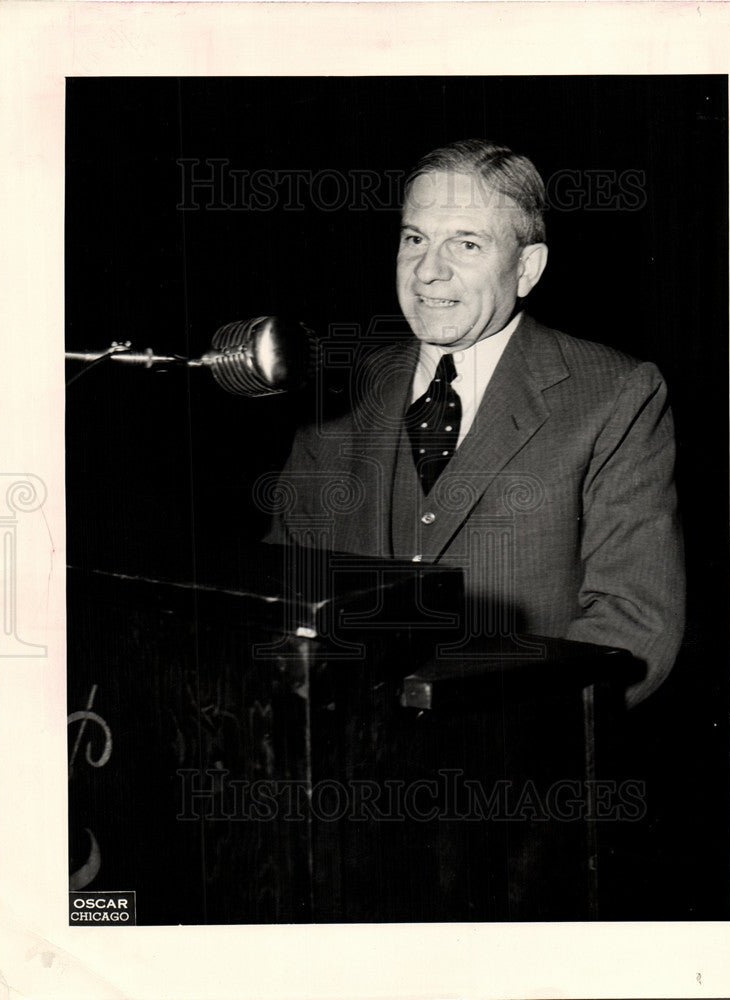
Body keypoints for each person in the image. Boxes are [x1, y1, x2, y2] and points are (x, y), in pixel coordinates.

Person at [265, 139, 685, 705]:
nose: (428, 271)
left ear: (527, 268)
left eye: (465, 243)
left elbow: (636, 623)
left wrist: (491, 743)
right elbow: (279, 593)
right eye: (415, 239)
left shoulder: (614, 395)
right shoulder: (335, 391)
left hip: (515, 768)